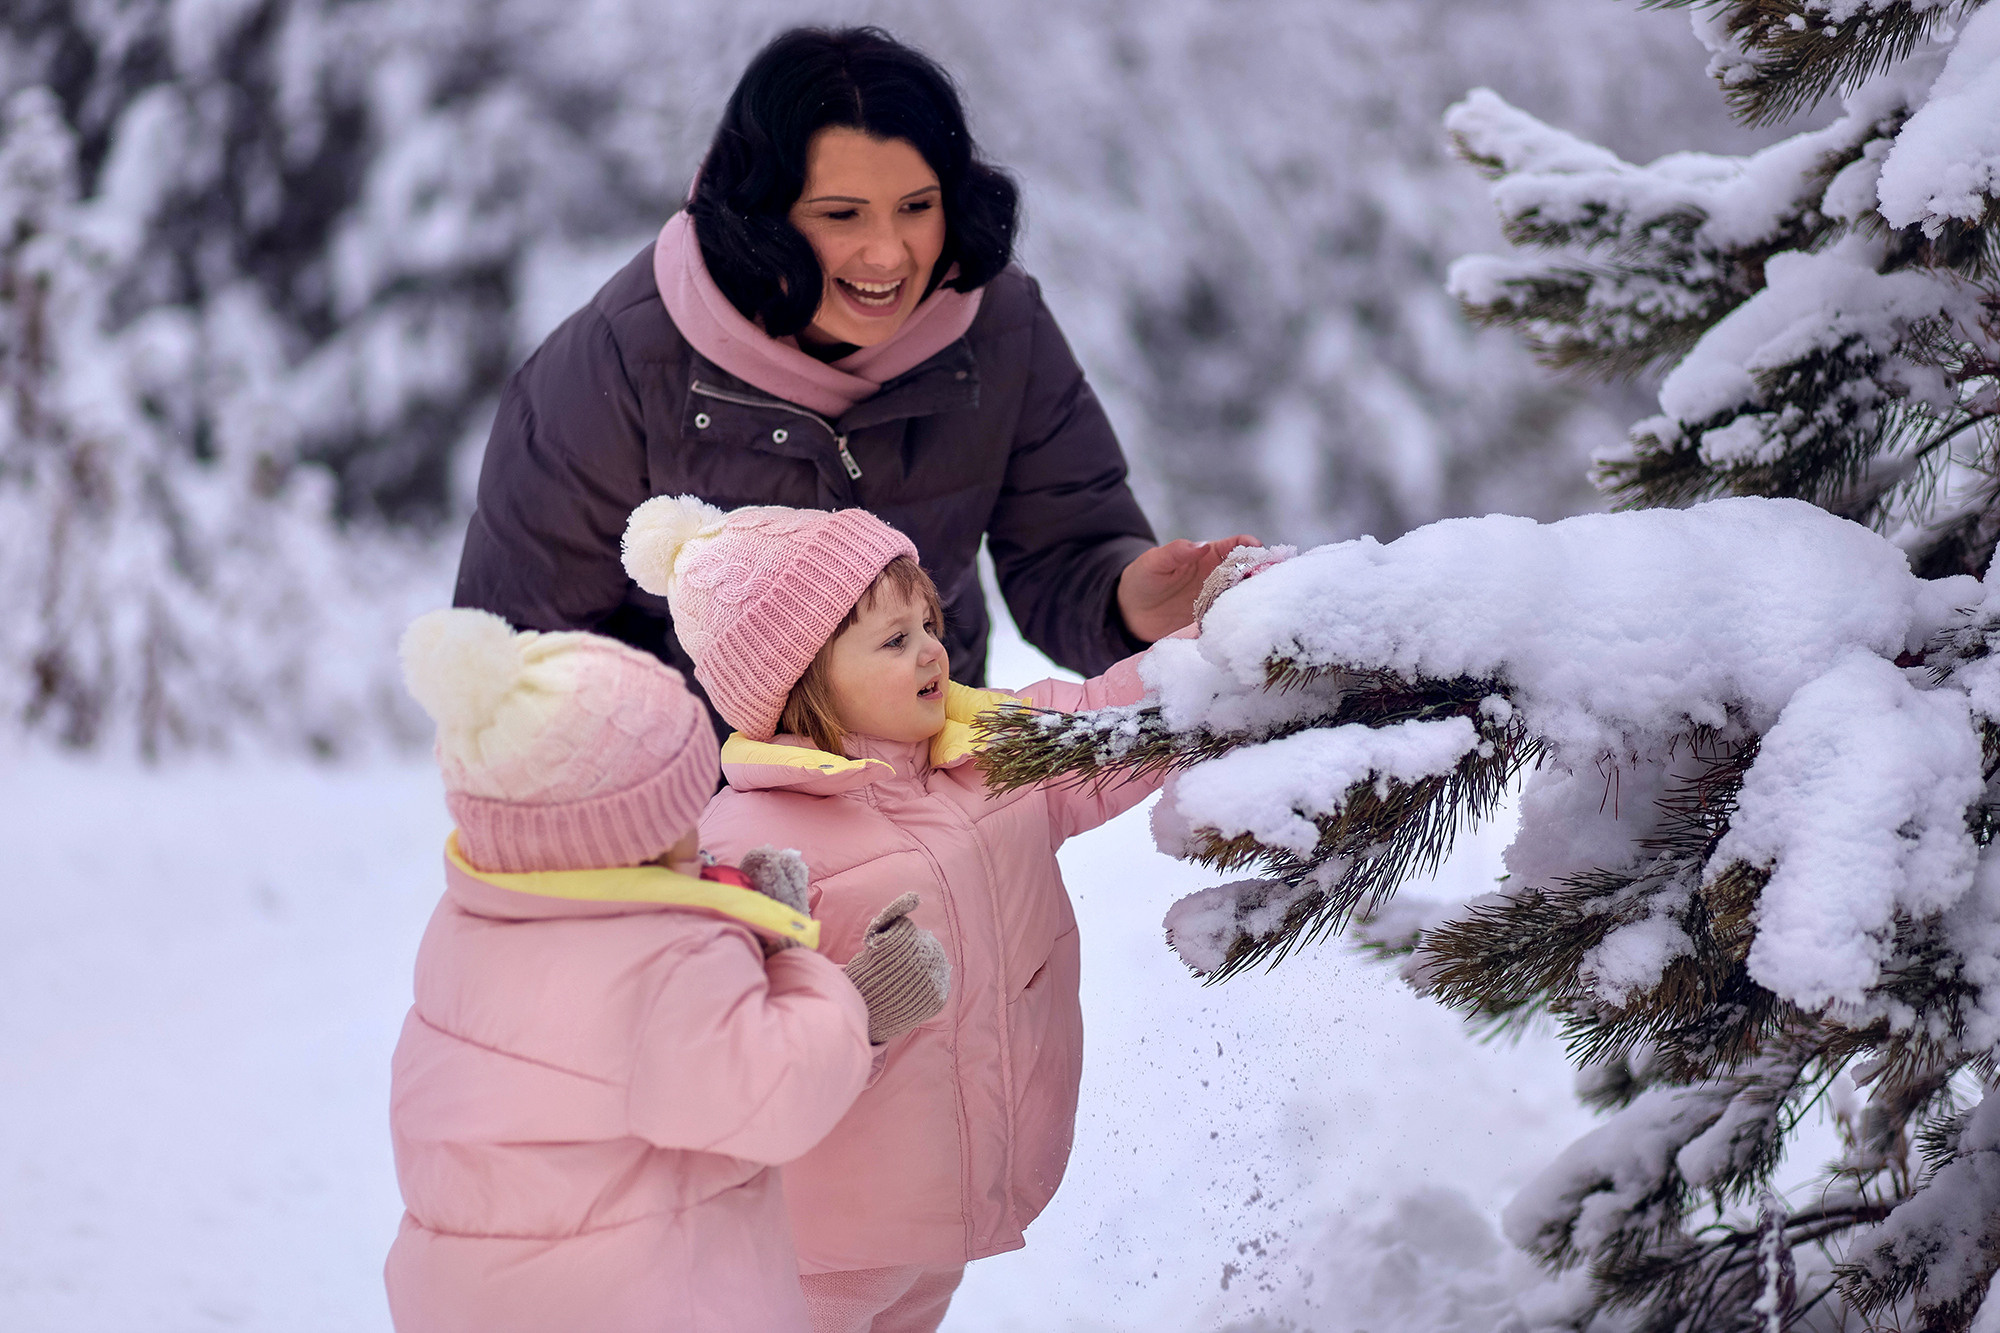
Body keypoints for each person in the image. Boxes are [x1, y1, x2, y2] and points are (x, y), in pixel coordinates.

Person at [453, 25, 1252, 738]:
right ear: (763, 215)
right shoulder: (622, 361)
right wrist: (669, 818)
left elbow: (1066, 546)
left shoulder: (1000, 327)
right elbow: (522, 659)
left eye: (916, 207)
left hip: (925, 794)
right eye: (842, 215)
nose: (888, 254)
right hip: (704, 821)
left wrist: (1128, 598)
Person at [620, 496, 1177, 1333]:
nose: (931, 649)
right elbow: (716, 1059)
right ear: (803, 679)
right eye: (894, 639)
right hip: (815, 1244)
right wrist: (857, 1011)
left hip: (944, 1209)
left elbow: (1110, 723)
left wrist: (1234, 644)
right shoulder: (751, 844)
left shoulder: (984, 753)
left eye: (929, 623)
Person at [381, 607, 950, 1332]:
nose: (696, 835)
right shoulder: (660, 959)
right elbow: (779, 1097)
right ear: (628, 838)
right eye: (681, 817)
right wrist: (805, 973)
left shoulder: (468, 926)